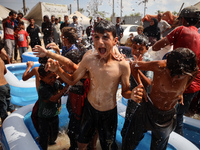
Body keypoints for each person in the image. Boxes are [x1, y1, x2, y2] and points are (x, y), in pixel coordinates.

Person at [34, 20, 144, 150]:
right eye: (96, 37)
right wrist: (58, 70)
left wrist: (132, 94)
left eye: (105, 37)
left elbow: (125, 91)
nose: (100, 42)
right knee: (81, 144)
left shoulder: (122, 65)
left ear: (115, 41)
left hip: (108, 113)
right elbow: (72, 80)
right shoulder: (89, 59)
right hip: (90, 110)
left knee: (107, 146)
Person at [122, 48, 198, 150]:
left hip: (167, 117)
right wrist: (141, 86)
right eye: (170, 73)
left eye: (178, 76)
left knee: (159, 147)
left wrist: (182, 91)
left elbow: (195, 73)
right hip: (147, 109)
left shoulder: (191, 71)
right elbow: (134, 66)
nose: (173, 79)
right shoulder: (159, 66)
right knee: (129, 143)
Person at [152, 6, 200, 136]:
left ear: (183, 20)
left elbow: (156, 47)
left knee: (168, 118)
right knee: (179, 117)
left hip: (178, 85)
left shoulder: (180, 30)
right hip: (194, 87)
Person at [121, 34, 153, 138]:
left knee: (137, 131)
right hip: (132, 100)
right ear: (131, 47)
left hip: (143, 102)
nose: (137, 51)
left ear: (147, 49)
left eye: (141, 49)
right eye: (135, 48)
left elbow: (148, 83)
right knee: (126, 129)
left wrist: (137, 69)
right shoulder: (130, 60)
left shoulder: (148, 62)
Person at [37, 64, 68, 150]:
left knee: (55, 134)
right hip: (43, 117)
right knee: (44, 137)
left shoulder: (55, 83)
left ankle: (52, 142)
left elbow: (64, 87)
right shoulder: (42, 88)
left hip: (54, 115)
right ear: (41, 77)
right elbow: (53, 99)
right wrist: (63, 90)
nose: (53, 80)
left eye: (54, 77)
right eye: (50, 78)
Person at [0, 43, 15, 124]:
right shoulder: (1, 60)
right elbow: (5, 72)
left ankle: (5, 125)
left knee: (2, 108)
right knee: (9, 104)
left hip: (0, 88)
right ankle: (16, 118)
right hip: (6, 85)